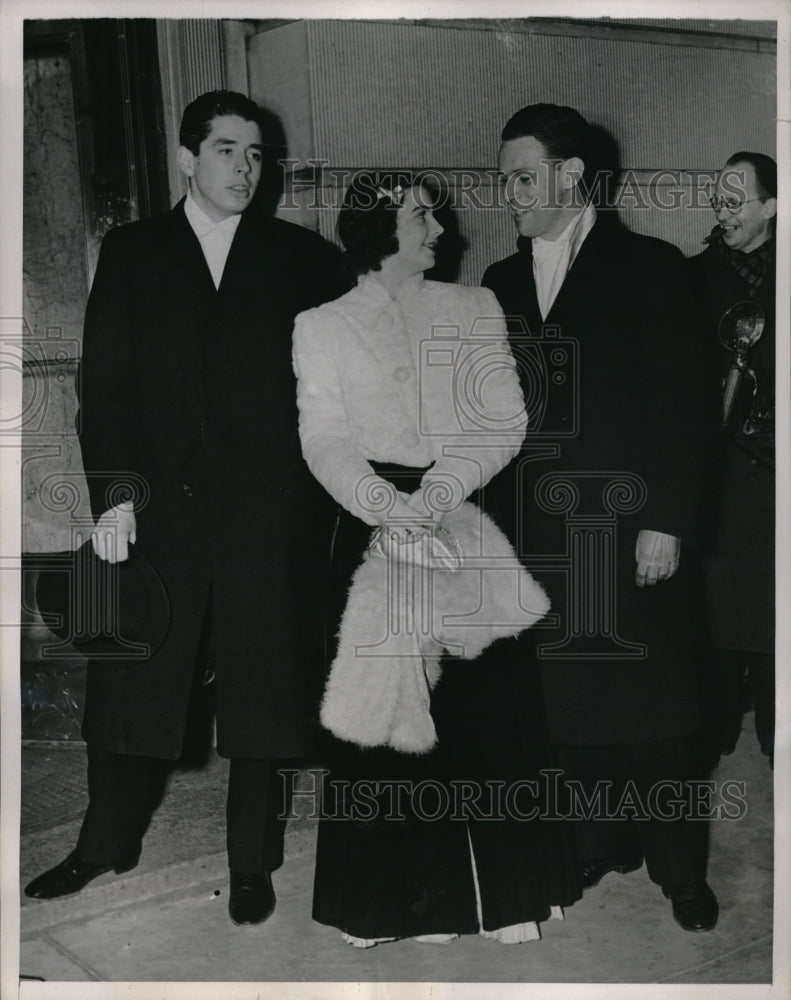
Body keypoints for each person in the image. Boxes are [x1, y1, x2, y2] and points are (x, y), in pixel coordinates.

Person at [24, 90, 344, 926]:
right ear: (186, 158)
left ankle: (250, 863)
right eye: (228, 150)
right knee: (128, 681)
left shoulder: (299, 257)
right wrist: (116, 499)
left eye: (256, 153)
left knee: (262, 692)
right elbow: (109, 389)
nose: (245, 167)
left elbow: (336, 389)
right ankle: (105, 843)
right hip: (154, 511)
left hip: (267, 515)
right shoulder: (132, 252)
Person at [292, 171, 580, 946]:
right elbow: (323, 437)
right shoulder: (320, 325)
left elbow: (503, 420)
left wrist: (439, 494)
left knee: (483, 709)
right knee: (384, 720)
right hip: (373, 527)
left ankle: (507, 901)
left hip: (461, 515)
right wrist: (387, 509)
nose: (439, 231)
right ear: (376, 227)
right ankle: (381, 908)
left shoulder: (473, 307)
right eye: (421, 215)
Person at [482, 104, 718, 932]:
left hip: (629, 532)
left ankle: (680, 869)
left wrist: (667, 520)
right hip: (538, 537)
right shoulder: (498, 284)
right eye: (503, 177)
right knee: (565, 705)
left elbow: (686, 408)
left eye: (519, 176)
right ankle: (594, 840)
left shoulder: (651, 267)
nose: (505, 193)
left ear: (570, 175)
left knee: (655, 714)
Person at [689, 152, 776, 767]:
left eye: (736, 196)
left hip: (777, 481)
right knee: (714, 618)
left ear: (772, 206)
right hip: (716, 478)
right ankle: (712, 732)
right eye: (717, 194)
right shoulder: (691, 278)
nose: (722, 205)